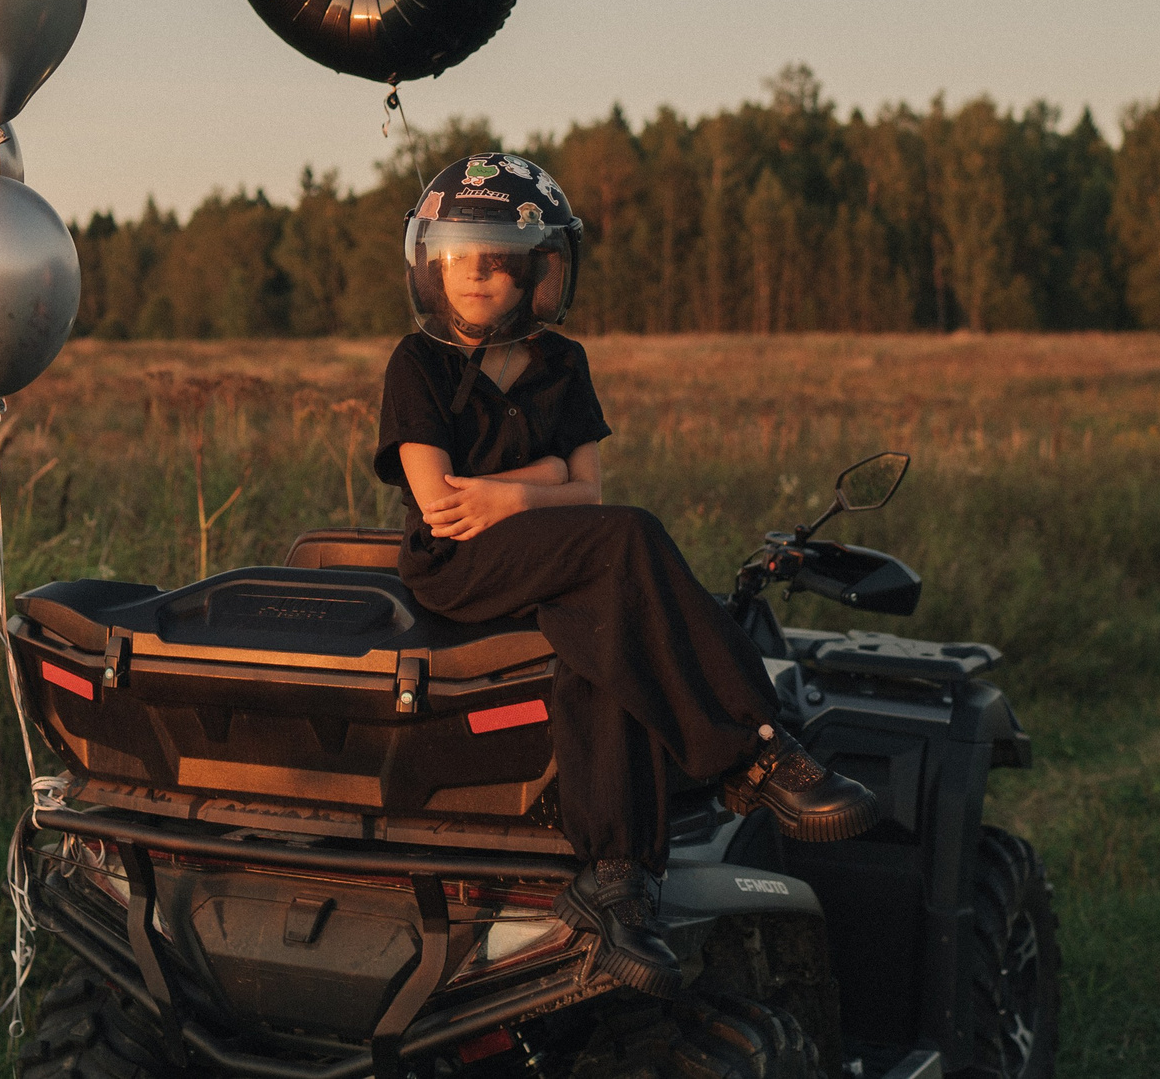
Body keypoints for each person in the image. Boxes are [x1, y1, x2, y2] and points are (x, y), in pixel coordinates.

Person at [373, 153, 878, 998]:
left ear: (536, 272)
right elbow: (441, 503)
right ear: (432, 266)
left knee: (605, 639)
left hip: (544, 550)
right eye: (458, 261)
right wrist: (525, 497)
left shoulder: (562, 362)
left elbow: (588, 488)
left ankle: (617, 883)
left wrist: (503, 493)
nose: (473, 280)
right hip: (458, 564)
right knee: (626, 540)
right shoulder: (414, 364)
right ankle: (755, 751)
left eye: (493, 264)